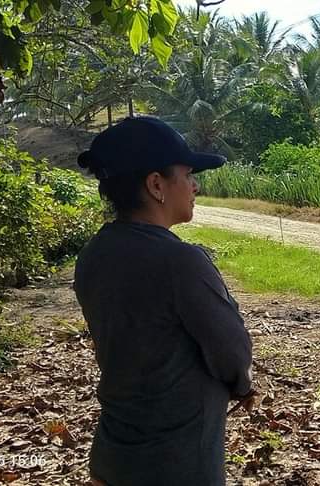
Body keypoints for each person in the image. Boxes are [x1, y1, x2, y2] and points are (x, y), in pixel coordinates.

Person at [74, 117, 256, 486]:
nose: (195, 185)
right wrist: (242, 385)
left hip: (112, 456)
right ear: (156, 184)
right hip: (176, 461)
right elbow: (231, 349)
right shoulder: (180, 261)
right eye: (187, 175)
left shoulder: (93, 254)